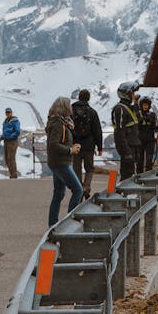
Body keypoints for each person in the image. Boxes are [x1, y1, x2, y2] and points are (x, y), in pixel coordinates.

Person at [46, 96, 84, 226]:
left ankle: (53, 223)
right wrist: (70, 150)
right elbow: (53, 144)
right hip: (61, 162)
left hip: (57, 161)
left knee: (59, 193)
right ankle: (69, 224)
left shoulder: (61, 122)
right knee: (78, 189)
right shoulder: (58, 123)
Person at [71, 88, 103, 199]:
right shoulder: (92, 112)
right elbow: (97, 130)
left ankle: (79, 189)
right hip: (89, 145)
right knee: (89, 168)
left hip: (75, 145)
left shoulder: (71, 111)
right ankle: (86, 187)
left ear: (79, 97)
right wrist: (100, 147)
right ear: (88, 98)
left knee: (76, 169)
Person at [111, 81, 141, 180]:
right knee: (126, 174)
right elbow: (119, 132)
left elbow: (138, 121)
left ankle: (121, 193)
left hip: (133, 145)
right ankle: (115, 193)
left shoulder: (129, 107)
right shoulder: (120, 109)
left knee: (130, 173)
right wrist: (126, 151)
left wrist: (136, 105)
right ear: (127, 94)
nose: (134, 95)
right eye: (132, 93)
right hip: (127, 146)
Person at [0, 107, 21, 178]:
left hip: (12, 141)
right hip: (6, 141)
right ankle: (12, 174)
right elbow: (5, 132)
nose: (8, 114)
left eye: (9, 112)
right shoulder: (5, 121)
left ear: (11, 113)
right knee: (7, 159)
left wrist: (10, 137)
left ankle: (14, 175)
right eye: (6, 112)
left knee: (11, 158)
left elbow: (17, 131)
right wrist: (2, 137)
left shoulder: (15, 121)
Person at [138, 96, 158, 172]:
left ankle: (148, 174)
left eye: (147, 105)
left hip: (150, 140)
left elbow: (155, 127)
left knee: (149, 159)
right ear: (141, 105)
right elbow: (135, 127)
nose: (145, 106)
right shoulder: (138, 115)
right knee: (140, 159)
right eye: (144, 105)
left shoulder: (153, 115)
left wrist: (151, 121)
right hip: (140, 140)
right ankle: (139, 175)